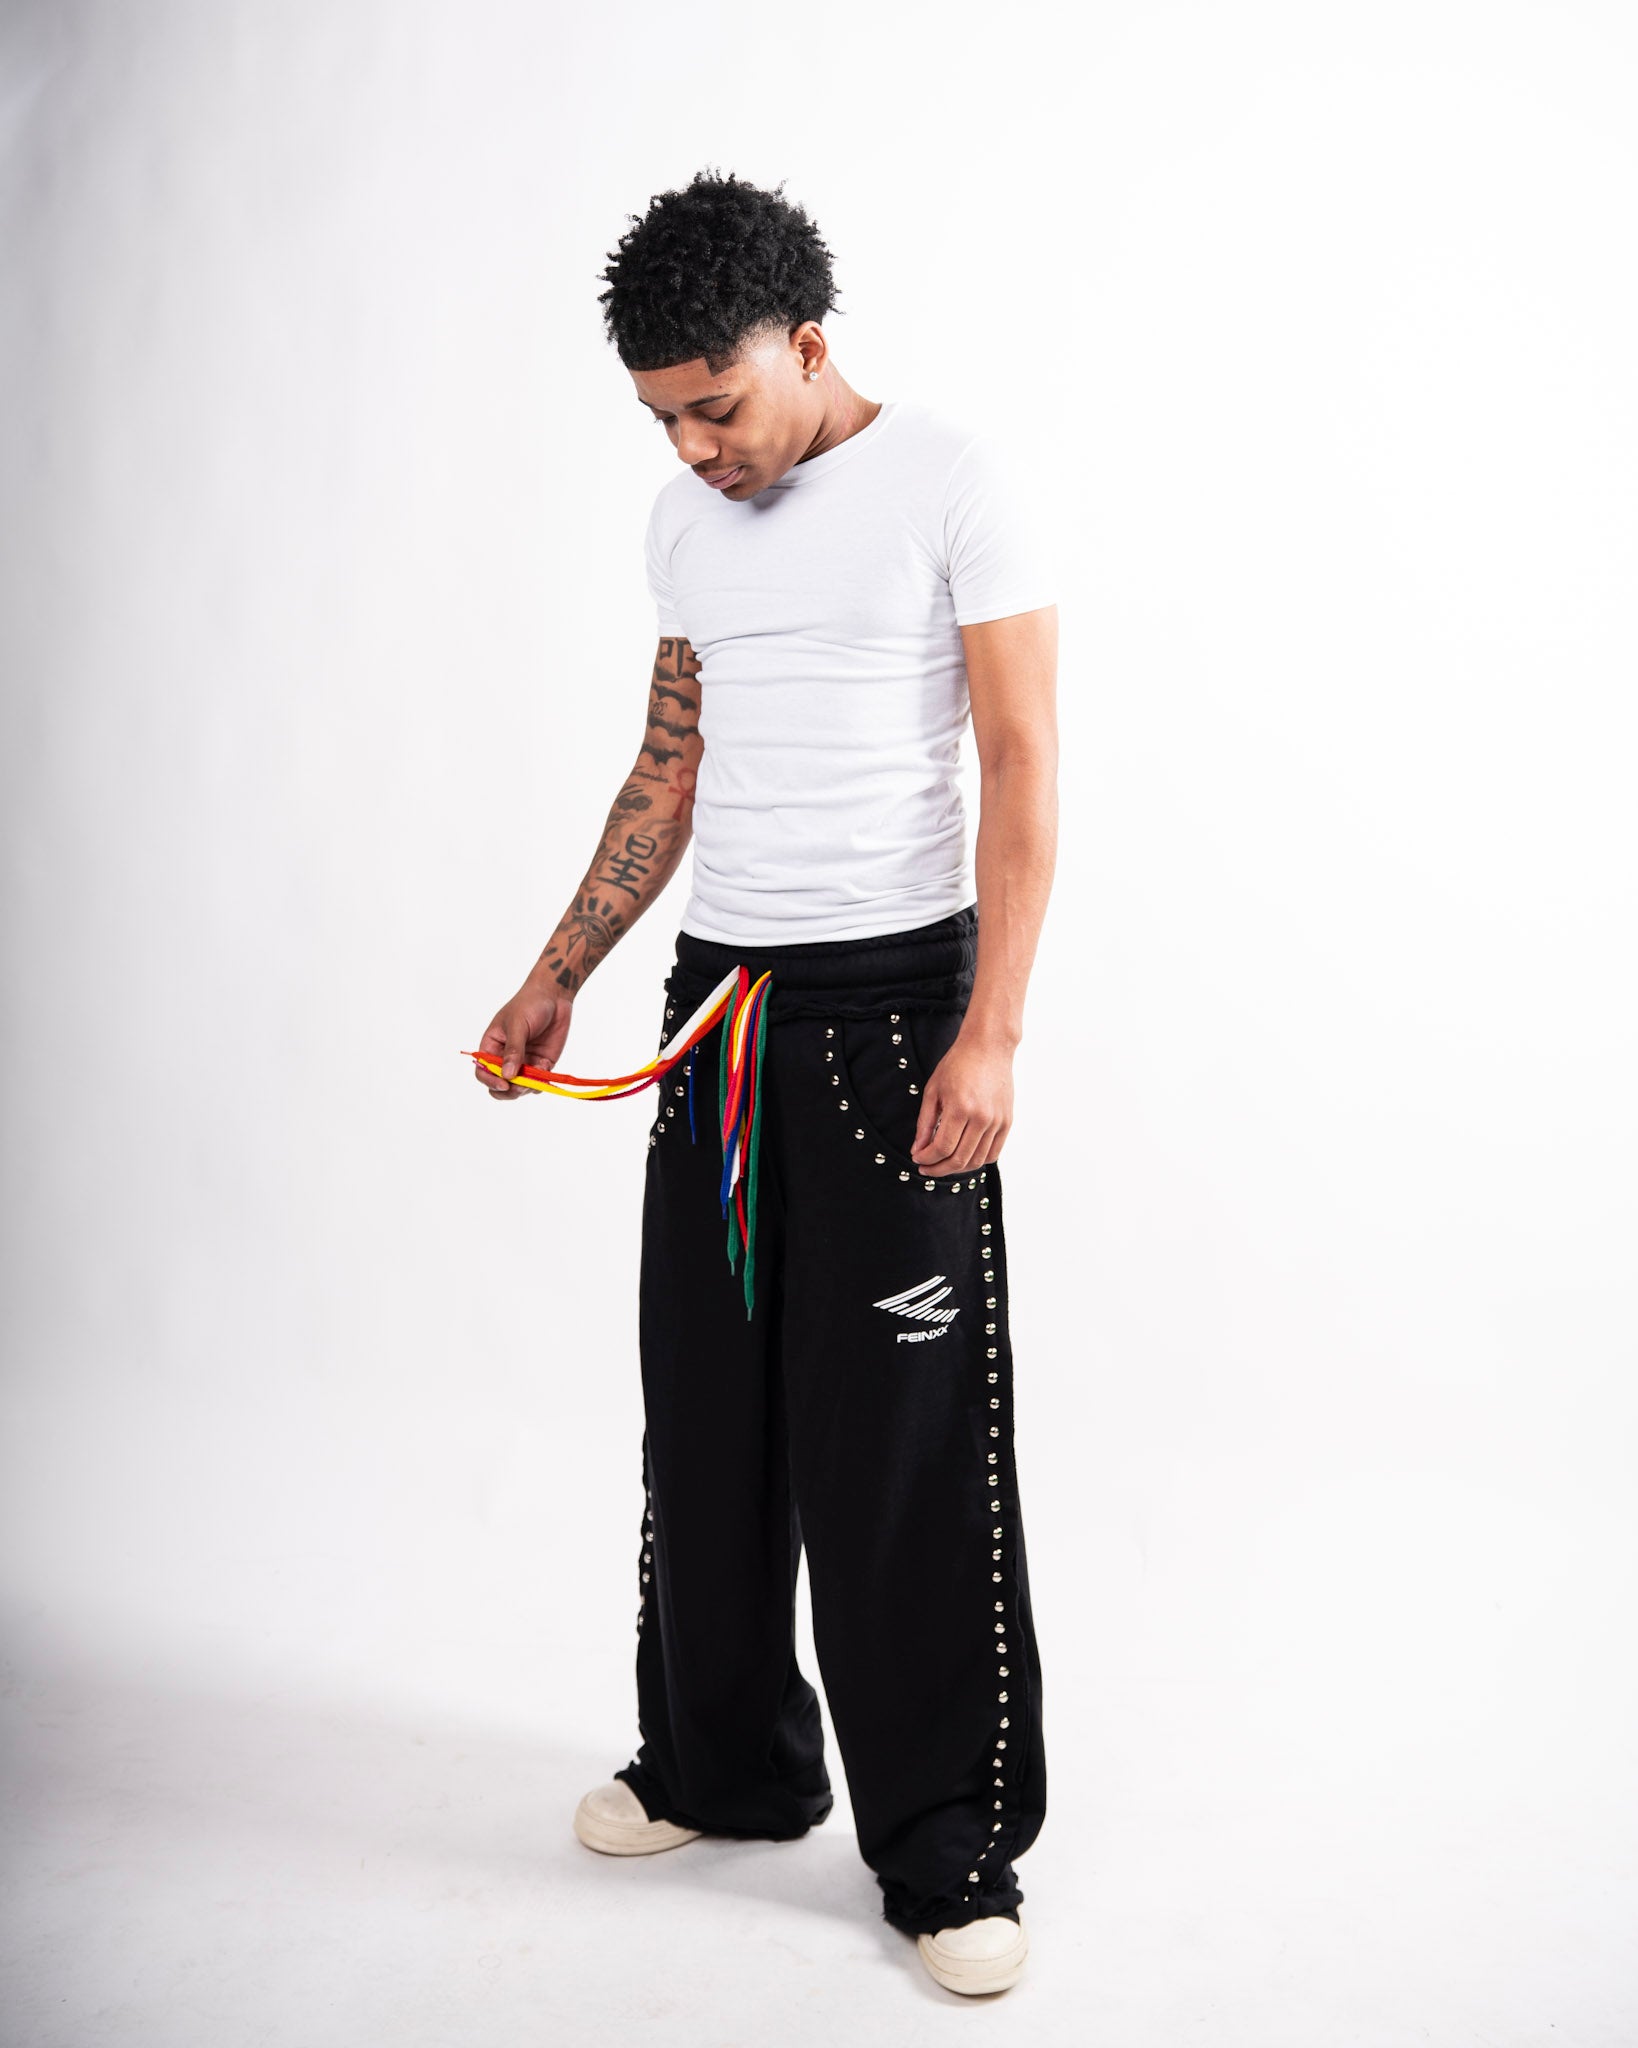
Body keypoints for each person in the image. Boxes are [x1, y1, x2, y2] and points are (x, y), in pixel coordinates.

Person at [471, 167, 1059, 1998]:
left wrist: (992, 1031)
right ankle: (724, 1766)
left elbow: (1023, 766)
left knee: (897, 1445)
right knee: (708, 1411)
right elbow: (669, 765)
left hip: (896, 1020)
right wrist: (558, 973)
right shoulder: (684, 524)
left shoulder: (951, 480)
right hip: (717, 1018)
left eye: (714, 406)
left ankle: (947, 1851)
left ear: (806, 344)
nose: (694, 449)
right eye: (663, 420)